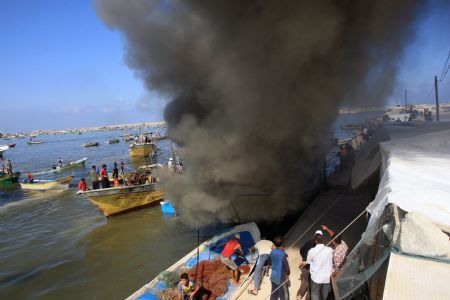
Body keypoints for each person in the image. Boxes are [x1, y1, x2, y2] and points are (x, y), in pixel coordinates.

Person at [305, 230, 333, 300]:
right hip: (326, 278)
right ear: (323, 239)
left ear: (315, 240)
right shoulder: (330, 250)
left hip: (315, 277)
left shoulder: (311, 251)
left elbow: (308, 263)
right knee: (325, 297)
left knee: (314, 296)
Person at [297, 232, 318, 300]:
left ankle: (299, 296)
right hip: (312, 268)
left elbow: (301, 250)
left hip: (304, 267)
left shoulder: (309, 242)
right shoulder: (318, 247)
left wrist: (303, 258)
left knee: (304, 282)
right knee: (311, 286)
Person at [270, 235, 290, 300]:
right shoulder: (283, 255)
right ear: (282, 244)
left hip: (273, 276)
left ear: (274, 244)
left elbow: (270, 262)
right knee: (284, 295)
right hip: (281, 278)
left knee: (274, 294)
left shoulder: (271, 252)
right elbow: (286, 267)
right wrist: (288, 273)